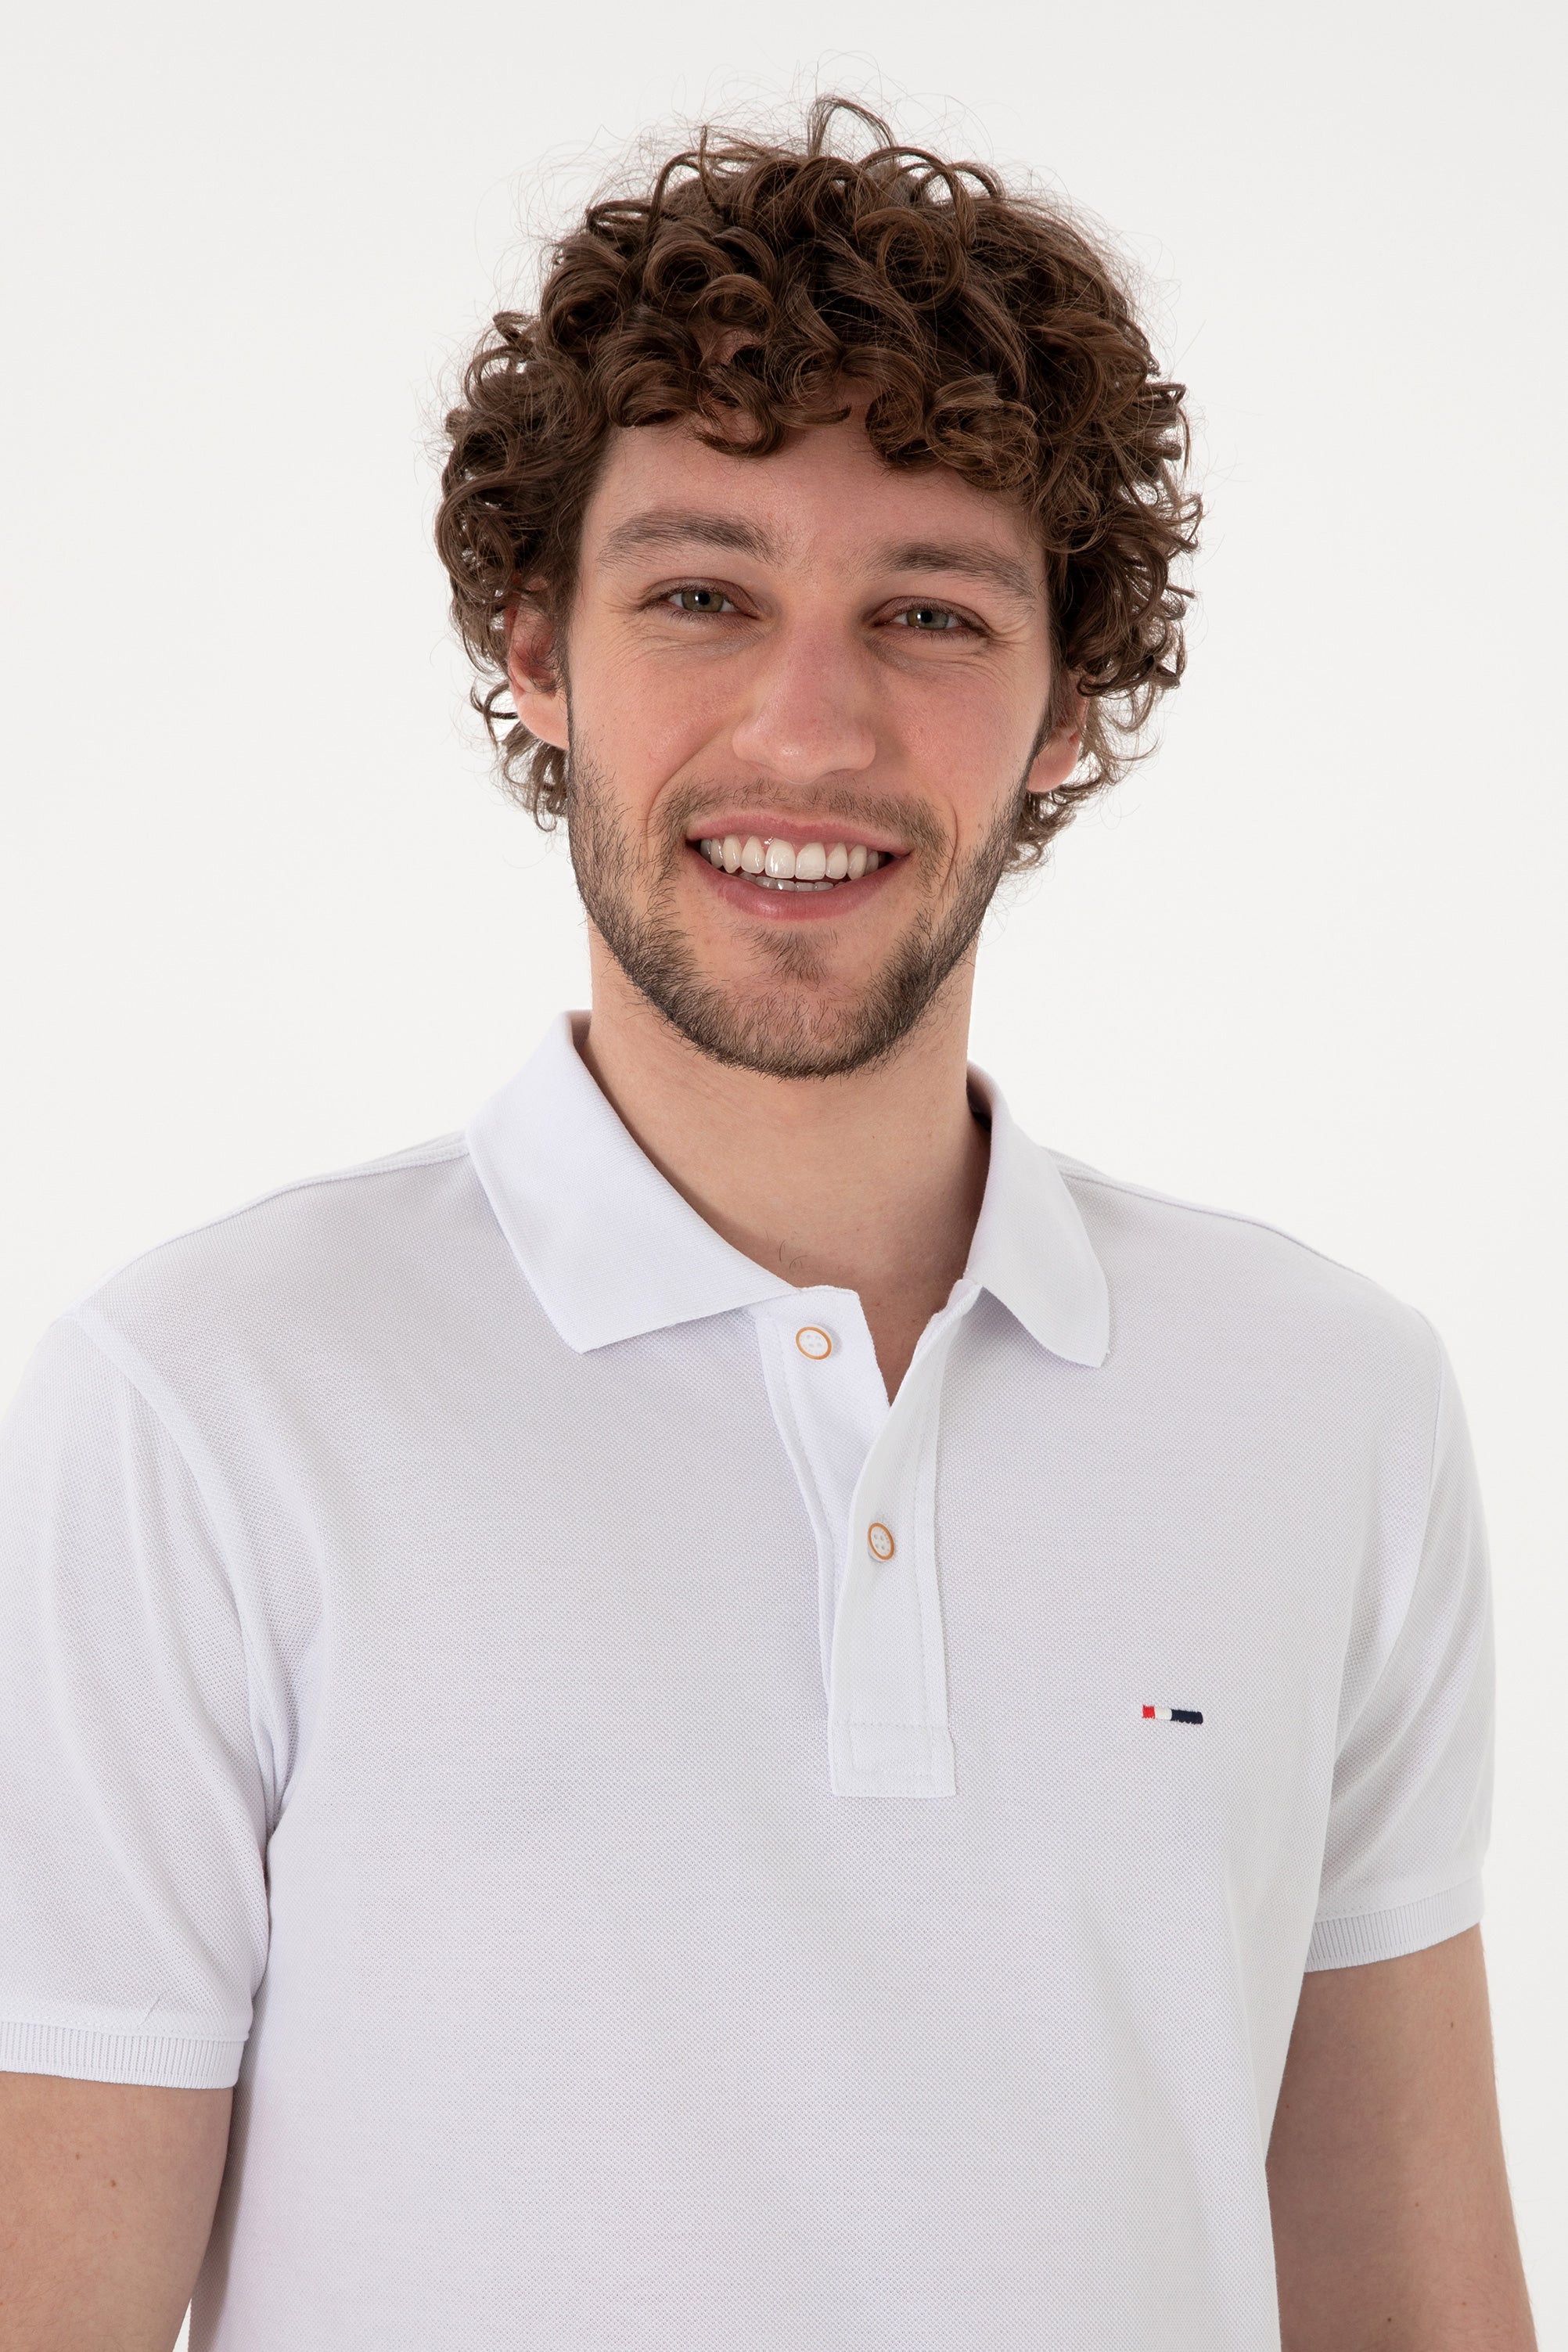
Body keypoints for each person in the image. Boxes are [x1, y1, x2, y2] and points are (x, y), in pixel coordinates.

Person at [0, 98, 1537, 2352]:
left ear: (1066, 707)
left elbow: (1412, 2302)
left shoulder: (1329, 1402)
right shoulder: (207, 1403)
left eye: (927, 612)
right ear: (537, 649)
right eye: (702, 597)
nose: (806, 731)